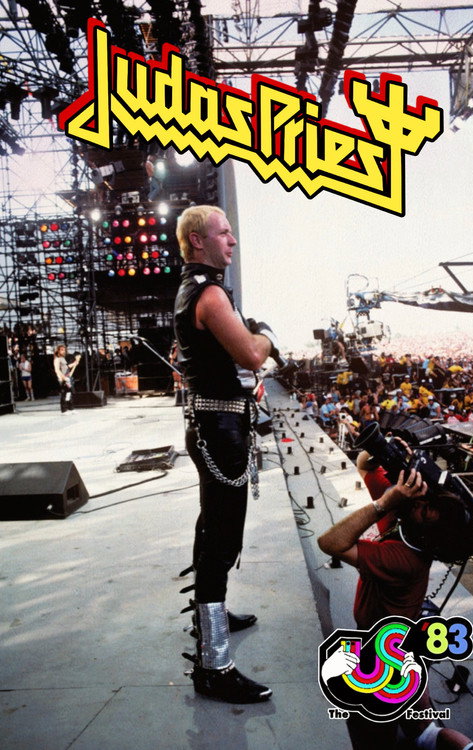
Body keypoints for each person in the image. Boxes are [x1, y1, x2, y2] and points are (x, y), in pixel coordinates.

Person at [174, 205, 276, 704]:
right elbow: (253, 354)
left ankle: (208, 614)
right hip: (220, 432)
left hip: (212, 426)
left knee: (211, 527)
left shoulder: (193, 289)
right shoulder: (211, 295)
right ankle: (214, 665)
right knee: (222, 540)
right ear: (198, 240)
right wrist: (267, 334)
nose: (232, 241)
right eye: (224, 233)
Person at [317, 445, 473, 750]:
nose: (417, 503)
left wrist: (383, 503)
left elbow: (330, 543)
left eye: (424, 509)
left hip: (386, 659)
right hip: (402, 644)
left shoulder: (403, 557)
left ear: (426, 531)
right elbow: (364, 464)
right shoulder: (406, 521)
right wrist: (390, 453)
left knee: (384, 735)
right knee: (422, 729)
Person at [53, 345, 80, 414]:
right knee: (64, 393)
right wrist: (63, 378)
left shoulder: (63, 358)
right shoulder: (57, 359)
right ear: (58, 351)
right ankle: (64, 410)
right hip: (63, 378)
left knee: (69, 393)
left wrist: (75, 363)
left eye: (64, 350)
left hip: (67, 376)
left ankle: (71, 408)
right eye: (62, 350)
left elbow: (67, 367)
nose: (63, 351)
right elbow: (57, 370)